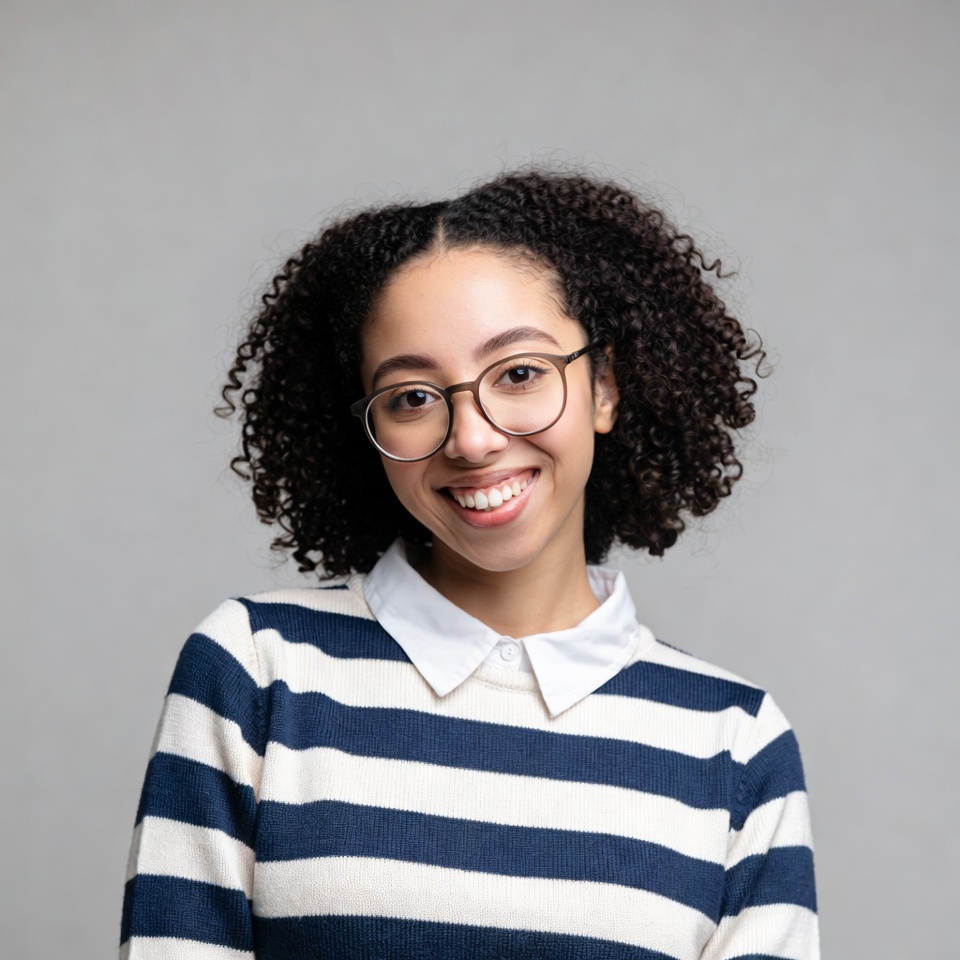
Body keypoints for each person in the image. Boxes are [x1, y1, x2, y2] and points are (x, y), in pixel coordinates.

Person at [121, 169, 818, 959]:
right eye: (412, 396)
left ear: (605, 387)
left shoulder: (734, 743)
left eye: (519, 374)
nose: (472, 438)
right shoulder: (258, 671)